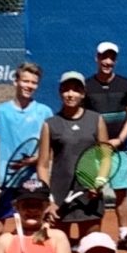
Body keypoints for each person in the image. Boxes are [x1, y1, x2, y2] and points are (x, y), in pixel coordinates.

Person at [81, 44, 127, 251]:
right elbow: (83, 117)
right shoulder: (86, 86)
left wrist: (120, 138)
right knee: (92, 191)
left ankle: (125, 235)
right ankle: (92, 236)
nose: (107, 62)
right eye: (103, 57)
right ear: (96, 58)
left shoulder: (126, 84)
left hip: (119, 149)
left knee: (121, 192)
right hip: (94, 150)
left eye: (111, 58)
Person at [40, 71, 108, 242]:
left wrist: (99, 182)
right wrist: (49, 199)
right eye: (66, 90)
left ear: (83, 94)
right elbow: (42, 165)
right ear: (60, 92)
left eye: (76, 90)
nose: (70, 94)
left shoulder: (96, 120)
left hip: (90, 195)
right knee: (58, 251)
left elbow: (106, 157)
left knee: (91, 249)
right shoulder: (50, 124)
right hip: (59, 197)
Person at [0, 63, 51, 213]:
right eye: (25, 81)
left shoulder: (45, 112)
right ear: (16, 82)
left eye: (34, 83)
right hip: (5, 180)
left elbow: (50, 148)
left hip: (32, 181)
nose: (29, 86)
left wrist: (37, 158)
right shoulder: (0, 112)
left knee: (33, 225)